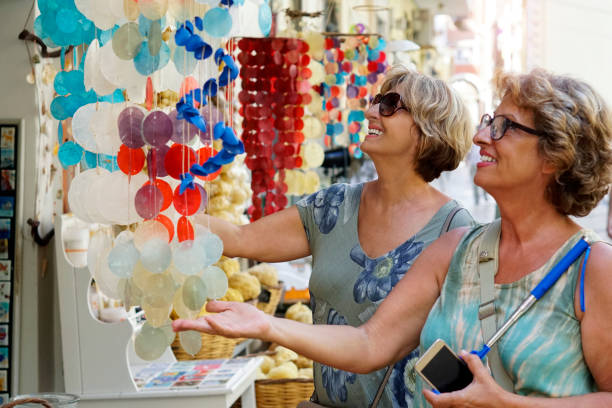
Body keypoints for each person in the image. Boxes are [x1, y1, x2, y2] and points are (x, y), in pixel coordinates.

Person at [175, 68, 612, 407]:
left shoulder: (593, 268)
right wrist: (268, 324)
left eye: (505, 127)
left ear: (555, 156)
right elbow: (370, 342)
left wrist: (508, 404)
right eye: (487, 122)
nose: (481, 136)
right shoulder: (457, 251)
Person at [191, 66, 475, 407]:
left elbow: (462, 349)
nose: (370, 111)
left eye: (389, 105)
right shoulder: (333, 207)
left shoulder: (454, 230)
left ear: (427, 130)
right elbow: (239, 239)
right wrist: (162, 214)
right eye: (374, 101)